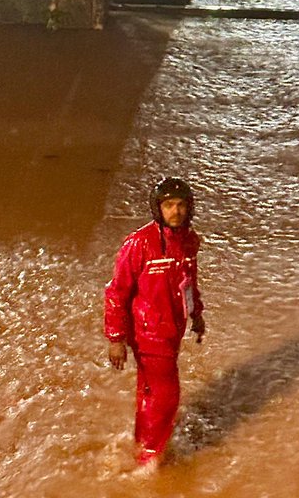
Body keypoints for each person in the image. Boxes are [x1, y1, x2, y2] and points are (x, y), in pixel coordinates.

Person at [104, 177, 206, 467]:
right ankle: (150, 458)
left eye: (181, 205)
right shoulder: (139, 244)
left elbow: (189, 283)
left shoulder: (188, 242)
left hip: (173, 328)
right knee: (167, 396)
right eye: (169, 205)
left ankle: (141, 443)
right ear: (157, 208)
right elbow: (117, 291)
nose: (176, 212)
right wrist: (116, 338)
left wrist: (196, 314)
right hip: (148, 333)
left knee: (150, 391)